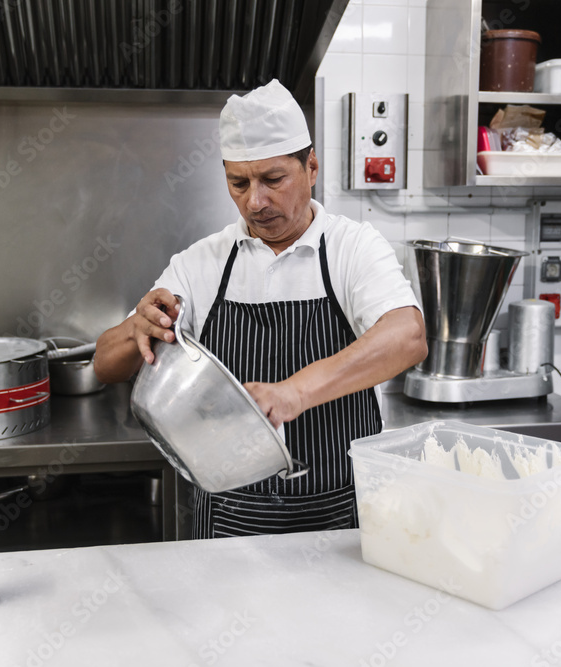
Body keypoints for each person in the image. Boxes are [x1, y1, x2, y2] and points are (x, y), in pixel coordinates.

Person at [94, 79, 426, 539]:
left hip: (339, 517)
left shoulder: (352, 248)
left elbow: (408, 336)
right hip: (229, 517)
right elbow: (104, 364)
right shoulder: (202, 262)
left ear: (311, 167)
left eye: (273, 179)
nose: (255, 201)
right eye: (239, 183)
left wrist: (294, 393)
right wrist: (138, 328)